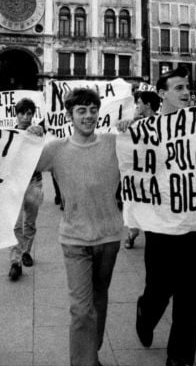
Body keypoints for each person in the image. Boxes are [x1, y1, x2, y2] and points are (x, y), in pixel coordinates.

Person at [34, 88, 123, 366]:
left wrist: (133, 127)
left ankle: (90, 351)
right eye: (81, 110)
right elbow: (19, 164)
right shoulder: (56, 149)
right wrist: (27, 136)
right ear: (69, 115)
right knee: (81, 309)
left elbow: (152, 150)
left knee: (99, 297)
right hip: (74, 239)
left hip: (109, 237)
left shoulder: (115, 143)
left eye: (93, 109)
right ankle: (84, 362)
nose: (88, 116)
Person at [135, 67, 196, 366]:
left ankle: (180, 357)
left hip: (193, 221)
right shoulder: (146, 128)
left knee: (190, 295)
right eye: (178, 87)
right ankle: (145, 313)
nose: (186, 92)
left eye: (187, 87)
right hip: (160, 224)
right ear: (162, 93)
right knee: (159, 289)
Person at [9, 98, 44, 281]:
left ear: (33, 115)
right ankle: (15, 261)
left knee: (29, 221)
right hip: (15, 183)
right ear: (16, 114)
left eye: (29, 113)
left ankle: (26, 252)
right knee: (15, 224)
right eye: (22, 113)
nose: (25, 117)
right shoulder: (10, 133)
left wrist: (38, 134)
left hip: (34, 182)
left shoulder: (38, 132)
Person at [125, 91, 161, 250]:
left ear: (147, 105)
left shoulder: (163, 123)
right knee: (134, 208)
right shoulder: (133, 123)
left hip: (156, 175)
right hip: (137, 175)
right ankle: (132, 234)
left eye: (139, 102)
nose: (137, 105)